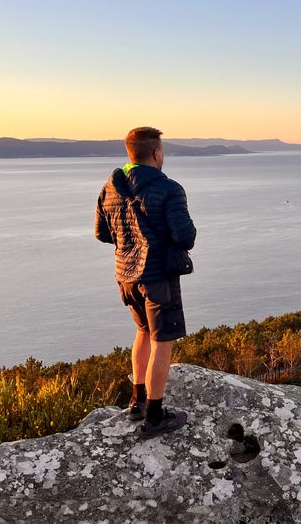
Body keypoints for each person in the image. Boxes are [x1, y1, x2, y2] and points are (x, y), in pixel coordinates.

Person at [95, 127, 197, 439]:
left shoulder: (110, 188)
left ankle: (137, 401)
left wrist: (128, 241)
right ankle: (155, 415)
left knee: (142, 332)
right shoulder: (169, 189)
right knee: (162, 340)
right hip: (157, 277)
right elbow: (185, 237)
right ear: (156, 153)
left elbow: (101, 233)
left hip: (126, 275)